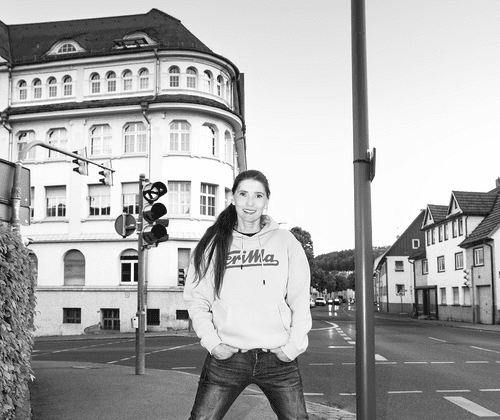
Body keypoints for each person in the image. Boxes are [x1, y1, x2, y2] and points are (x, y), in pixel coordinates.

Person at [183, 169, 312, 420]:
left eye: (258, 195)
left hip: (278, 358)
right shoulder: (213, 243)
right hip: (228, 358)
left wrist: (293, 346)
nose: (250, 202)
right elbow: (197, 298)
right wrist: (212, 343)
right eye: (243, 194)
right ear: (233, 197)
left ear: (266, 201)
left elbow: (299, 298)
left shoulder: (286, 241)